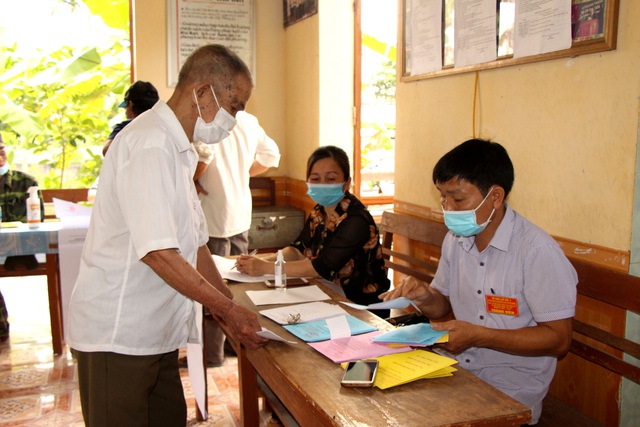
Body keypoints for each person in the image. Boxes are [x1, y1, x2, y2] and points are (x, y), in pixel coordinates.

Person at [66, 44, 269, 427]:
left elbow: (194, 244)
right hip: (119, 333)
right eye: (236, 105)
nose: (236, 118)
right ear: (204, 93)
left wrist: (229, 310)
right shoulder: (150, 145)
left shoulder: (180, 150)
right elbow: (158, 253)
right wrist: (227, 310)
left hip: (154, 334)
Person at [380, 138, 577, 425]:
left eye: (457, 199)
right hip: (458, 372)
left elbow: (560, 341)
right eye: (443, 197)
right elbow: (441, 305)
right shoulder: (456, 240)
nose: (447, 208)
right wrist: (424, 295)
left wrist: (478, 335)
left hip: (511, 391)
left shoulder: (537, 252)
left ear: (495, 197)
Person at [236, 145, 390, 316]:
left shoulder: (356, 220)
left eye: (331, 179)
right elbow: (298, 249)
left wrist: (267, 267)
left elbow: (320, 268)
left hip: (360, 306)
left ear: (347, 182)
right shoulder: (320, 211)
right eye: (315, 179)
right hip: (326, 295)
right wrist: (261, 260)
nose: (322, 184)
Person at [194, 111, 280, 366]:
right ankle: (236, 347)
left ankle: (213, 355)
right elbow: (271, 155)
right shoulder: (249, 120)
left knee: (212, 288)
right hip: (240, 212)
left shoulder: (206, 118)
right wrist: (241, 173)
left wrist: (191, 180)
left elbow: (204, 156)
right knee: (241, 284)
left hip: (212, 214)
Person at [0, 134, 45, 341]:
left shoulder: (25, 182)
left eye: (1, 150)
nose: (0, 156)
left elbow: (39, 219)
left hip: (25, 249)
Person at [102, 80, 159, 156]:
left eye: (125, 107)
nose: (125, 111)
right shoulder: (162, 126)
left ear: (130, 104)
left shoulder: (124, 128)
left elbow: (107, 151)